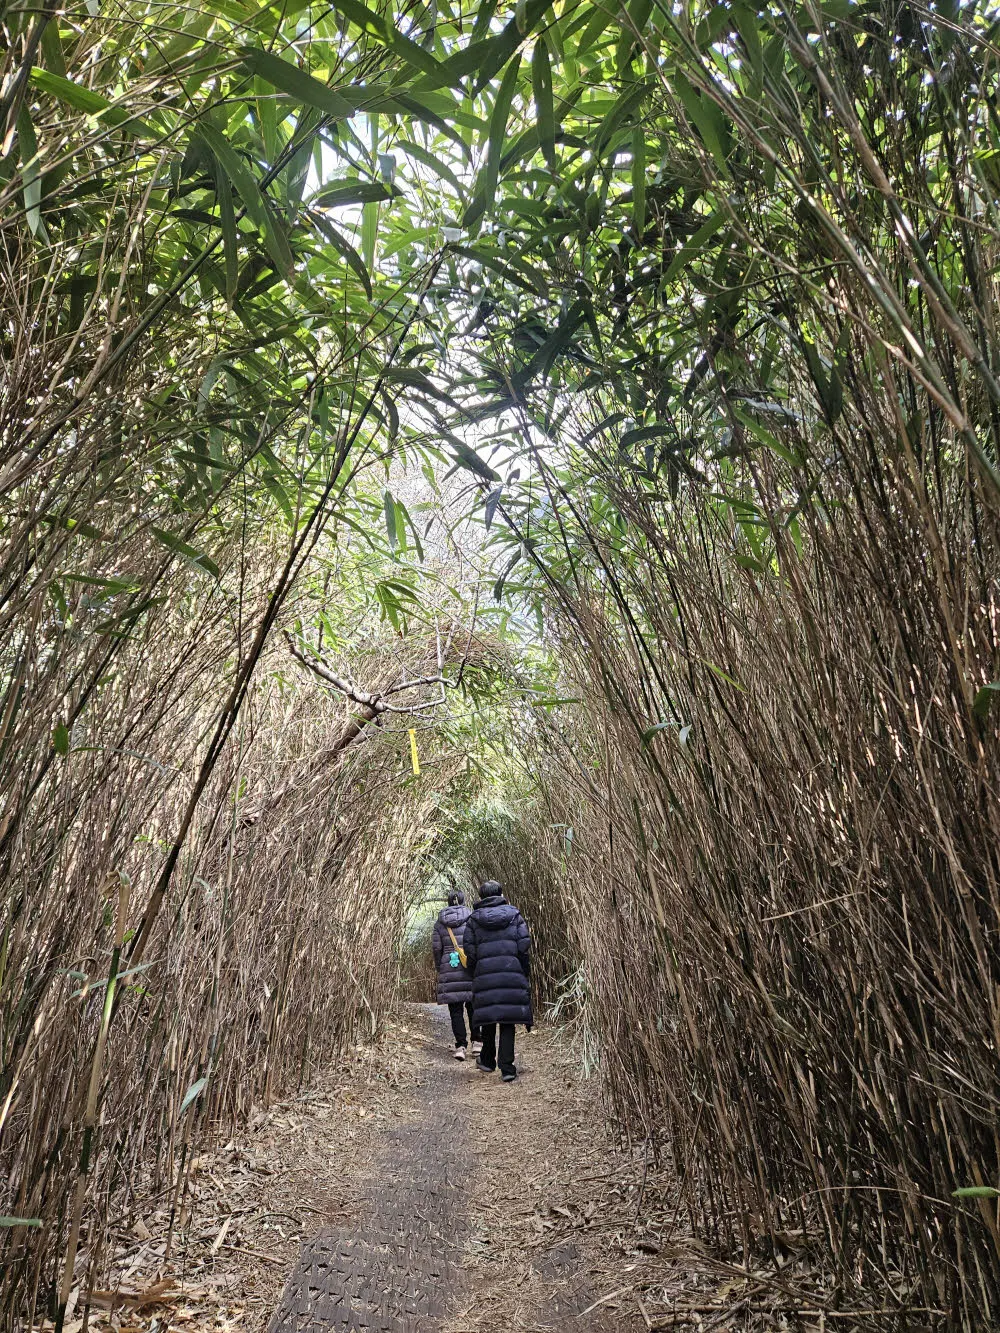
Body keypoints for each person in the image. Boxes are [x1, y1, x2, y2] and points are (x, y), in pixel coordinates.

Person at [463, 880, 532, 1083]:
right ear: (501, 894)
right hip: (511, 972)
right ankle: (507, 1068)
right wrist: (522, 970)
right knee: (507, 1021)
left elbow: (470, 951)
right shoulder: (514, 916)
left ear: (481, 897)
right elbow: (523, 945)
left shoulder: (474, 920)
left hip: (485, 974)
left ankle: (487, 1061)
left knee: (488, 1018)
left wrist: (478, 970)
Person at [431, 890, 481, 1060]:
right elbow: (477, 943)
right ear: (462, 900)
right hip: (469, 967)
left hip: (449, 966)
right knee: (473, 1006)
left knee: (455, 1010)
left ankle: (460, 1046)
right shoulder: (472, 918)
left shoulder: (440, 924)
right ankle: (477, 1043)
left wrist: (440, 967)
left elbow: (437, 949)